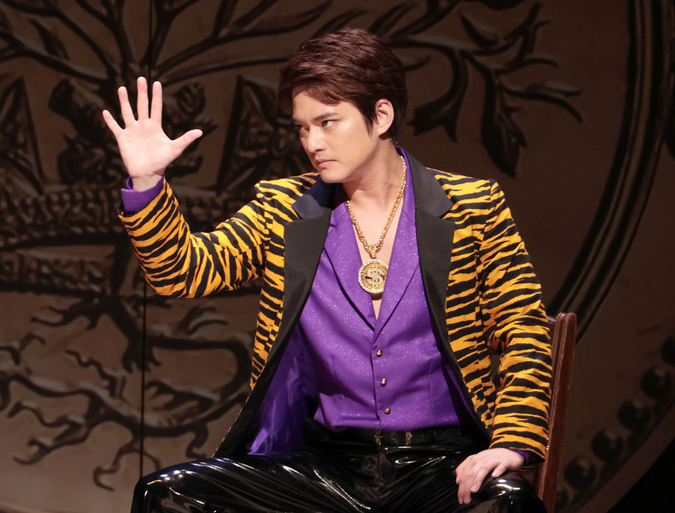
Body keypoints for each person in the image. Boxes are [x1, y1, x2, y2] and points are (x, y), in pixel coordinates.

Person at [104, 28, 551, 512]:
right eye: (302, 128)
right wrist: (147, 182)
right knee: (167, 496)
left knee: (505, 503)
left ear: (381, 116)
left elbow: (523, 328)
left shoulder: (472, 208)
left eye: (328, 122)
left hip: (442, 462)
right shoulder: (284, 210)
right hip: (327, 466)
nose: (313, 142)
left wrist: (511, 443)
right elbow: (184, 272)